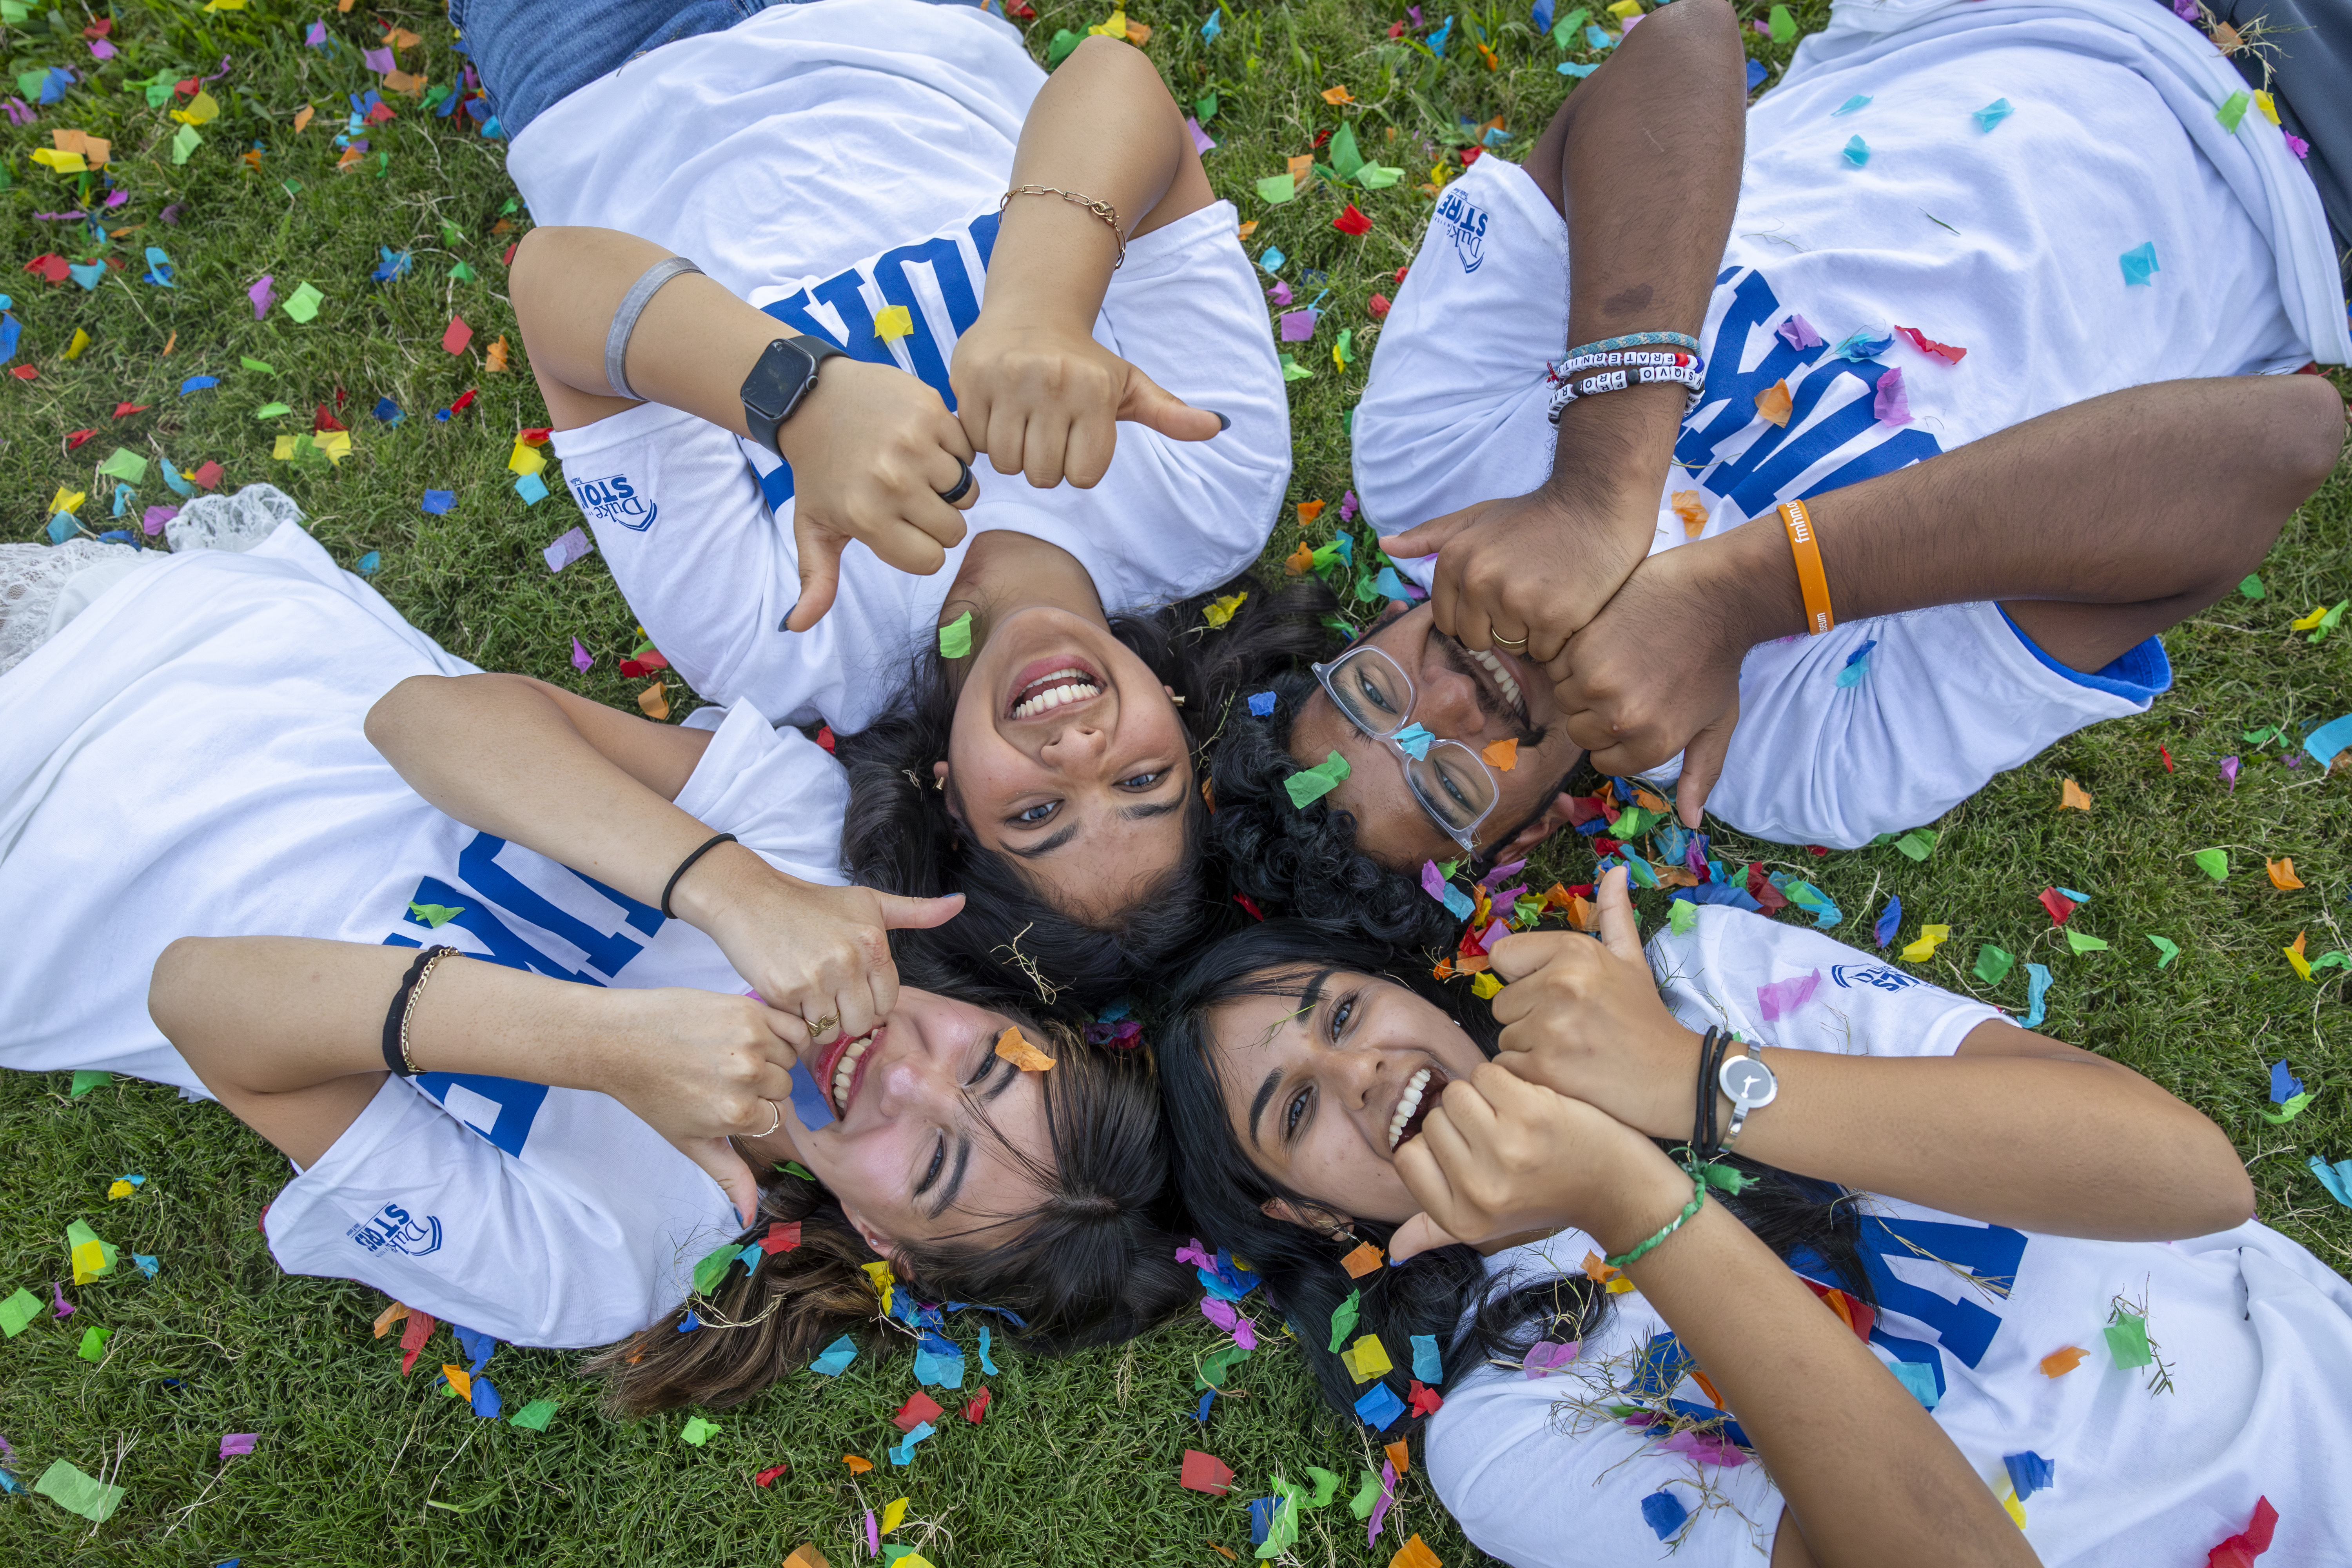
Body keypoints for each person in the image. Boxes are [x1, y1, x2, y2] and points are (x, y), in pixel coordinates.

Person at [0, 489, 1189, 1410]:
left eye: (931, 1165)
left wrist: (598, 1044)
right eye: (988, 1067)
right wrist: (725, 888)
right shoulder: (816, 857)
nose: (903, 1077)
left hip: (37, 890)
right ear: (1015, 1015)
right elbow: (417, 719)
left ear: (889, 1247)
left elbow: (199, 996)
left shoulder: (600, 1257)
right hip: (191, 653)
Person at [1205, 0, 2348, 946]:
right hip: (2310, 178)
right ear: (1533, 833)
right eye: (1450, 784)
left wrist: (1596, 489)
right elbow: (2281, 444)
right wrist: (1741, 598)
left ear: (1348, 646)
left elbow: (1686, 46)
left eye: (1370, 696)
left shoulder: (1424, 473)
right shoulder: (1803, 766)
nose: (1449, 702)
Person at [1154, 869, 2352, 1566]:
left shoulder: (1703, 983)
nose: (1360, 1072)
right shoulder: (1500, 1426)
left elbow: (2196, 1181)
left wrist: (1690, 1078)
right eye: (1297, 1103)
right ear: (1303, 1211)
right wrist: (1629, 1200)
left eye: (1346, 1013)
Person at [478, 0, 1302, 1005]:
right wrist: (1039, 303)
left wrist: (795, 399)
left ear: (949, 804)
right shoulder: (1209, 486)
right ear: (1182, 723)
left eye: (1038, 815)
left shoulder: (785, 644)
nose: (1079, 751)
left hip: (595, 71)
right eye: (1142, 784)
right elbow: (1109, 81)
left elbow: (551, 277)